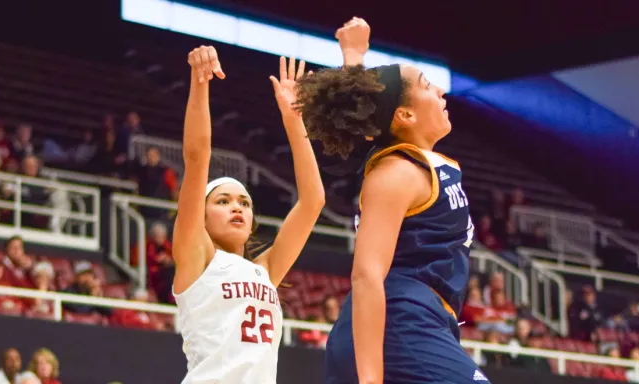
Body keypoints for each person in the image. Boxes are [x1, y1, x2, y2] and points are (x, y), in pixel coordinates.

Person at [296, 18, 481, 383]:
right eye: (428, 86)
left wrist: (354, 56)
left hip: (422, 323)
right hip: (397, 324)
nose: (441, 91)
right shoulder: (394, 173)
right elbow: (366, 275)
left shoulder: (406, 163)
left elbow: (370, 115)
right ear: (406, 115)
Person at [172, 46, 324, 384]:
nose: (237, 207)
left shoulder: (265, 270)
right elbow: (197, 158)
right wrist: (200, 83)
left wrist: (294, 121)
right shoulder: (196, 258)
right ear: (203, 216)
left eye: (244, 202)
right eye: (223, 201)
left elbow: (313, 201)